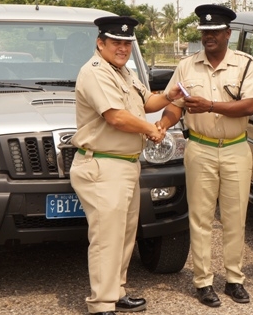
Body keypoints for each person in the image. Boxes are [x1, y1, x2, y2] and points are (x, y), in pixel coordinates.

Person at [70, 16, 183, 315]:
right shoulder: (95, 72)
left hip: (126, 165)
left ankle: (116, 291)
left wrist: (171, 96)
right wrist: (151, 130)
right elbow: (116, 117)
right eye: (116, 42)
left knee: (123, 235)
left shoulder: (123, 73)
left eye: (127, 43)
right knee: (107, 238)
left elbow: (146, 102)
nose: (122, 48)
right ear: (100, 43)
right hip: (103, 165)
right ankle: (101, 304)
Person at [156, 4, 253, 307]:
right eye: (205, 31)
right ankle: (203, 281)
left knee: (234, 219)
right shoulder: (186, 66)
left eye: (215, 31)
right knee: (201, 218)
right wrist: (163, 125)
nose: (209, 36)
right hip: (200, 148)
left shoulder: (245, 64)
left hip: (235, 149)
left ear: (228, 33)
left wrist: (210, 106)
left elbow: (249, 106)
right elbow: (175, 104)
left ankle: (234, 279)